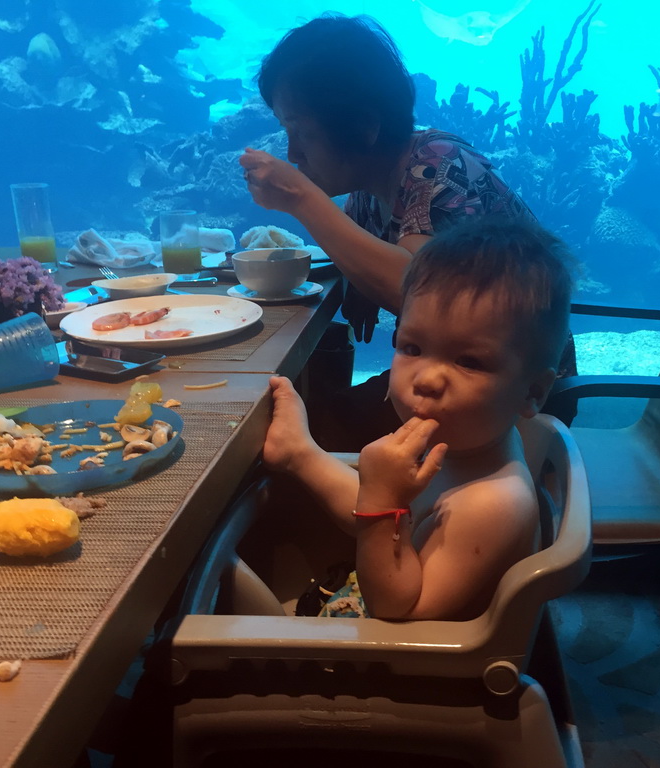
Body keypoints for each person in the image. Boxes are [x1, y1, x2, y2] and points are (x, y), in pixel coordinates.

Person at [239, 14, 574, 449]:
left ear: (364, 126)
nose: (292, 151)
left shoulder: (439, 166)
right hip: (448, 376)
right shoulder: (369, 186)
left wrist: (302, 198)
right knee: (312, 413)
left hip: (504, 399)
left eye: (300, 131)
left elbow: (419, 289)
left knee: (303, 438)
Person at [261, 216, 576, 621]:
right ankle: (296, 455)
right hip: (382, 582)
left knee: (222, 576)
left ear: (532, 392)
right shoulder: (472, 445)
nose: (426, 379)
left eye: (469, 361)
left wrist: (381, 500)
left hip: (403, 662)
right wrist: (306, 455)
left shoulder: (491, 504)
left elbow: (399, 611)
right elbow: (387, 520)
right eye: (412, 347)